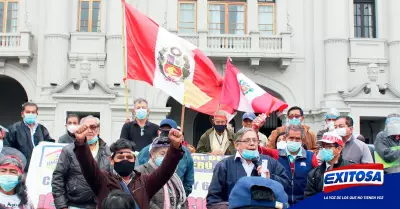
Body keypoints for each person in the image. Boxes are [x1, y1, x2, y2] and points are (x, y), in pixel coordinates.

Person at [72, 124, 184, 209]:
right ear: (111, 160)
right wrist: (81, 143)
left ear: (135, 160)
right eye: (120, 157)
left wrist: (175, 147)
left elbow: (165, 171)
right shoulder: (102, 180)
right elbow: (87, 166)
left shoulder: (145, 182)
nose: (125, 159)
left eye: (129, 157)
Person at [206, 128, 290, 208]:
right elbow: (213, 200)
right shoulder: (224, 165)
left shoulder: (271, 163)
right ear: (236, 145)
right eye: (247, 140)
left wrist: (270, 178)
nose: (252, 143)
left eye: (255, 140)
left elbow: (287, 186)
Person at [52, 115, 111, 209]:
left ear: (98, 130)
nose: (89, 131)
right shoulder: (68, 151)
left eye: (93, 127)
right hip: (75, 205)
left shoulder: (108, 152)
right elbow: (58, 178)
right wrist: (62, 206)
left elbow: (114, 180)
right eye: (85, 127)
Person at [137, 119, 194, 196]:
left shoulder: (184, 152)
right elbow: (137, 177)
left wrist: (179, 196)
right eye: (163, 131)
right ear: (158, 132)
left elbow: (188, 181)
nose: (166, 134)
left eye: (169, 131)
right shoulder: (146, 151)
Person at [136, 137, 188, 209]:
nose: (167, 157)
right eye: (162, 153)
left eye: (168, 154)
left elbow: (183, 200)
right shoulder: (140, 172)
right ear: (152, 154)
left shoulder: (173, 175)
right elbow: (142, 198)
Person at [4, 102, 54, 171]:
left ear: (37, 114)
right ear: (22, 114)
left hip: (39, 168)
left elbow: (50, 146)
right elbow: (8, 149)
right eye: (28, 112)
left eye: (33, 112)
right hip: (21, 168)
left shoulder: (42, 129)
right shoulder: (14, 129)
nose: (30, 114)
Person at [277, 125, 318, 205]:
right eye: (291, 138)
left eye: (297, 139)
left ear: (302, 140)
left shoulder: (310, 156)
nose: (294, 141)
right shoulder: (277, 155)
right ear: (285, 138)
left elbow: (317, 181)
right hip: (281, 204)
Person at [304, 132, 353, 197]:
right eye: (322, 146)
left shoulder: (351, 169)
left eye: (329, 146)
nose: (324, 150)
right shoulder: (314, 174)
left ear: (339, 149)